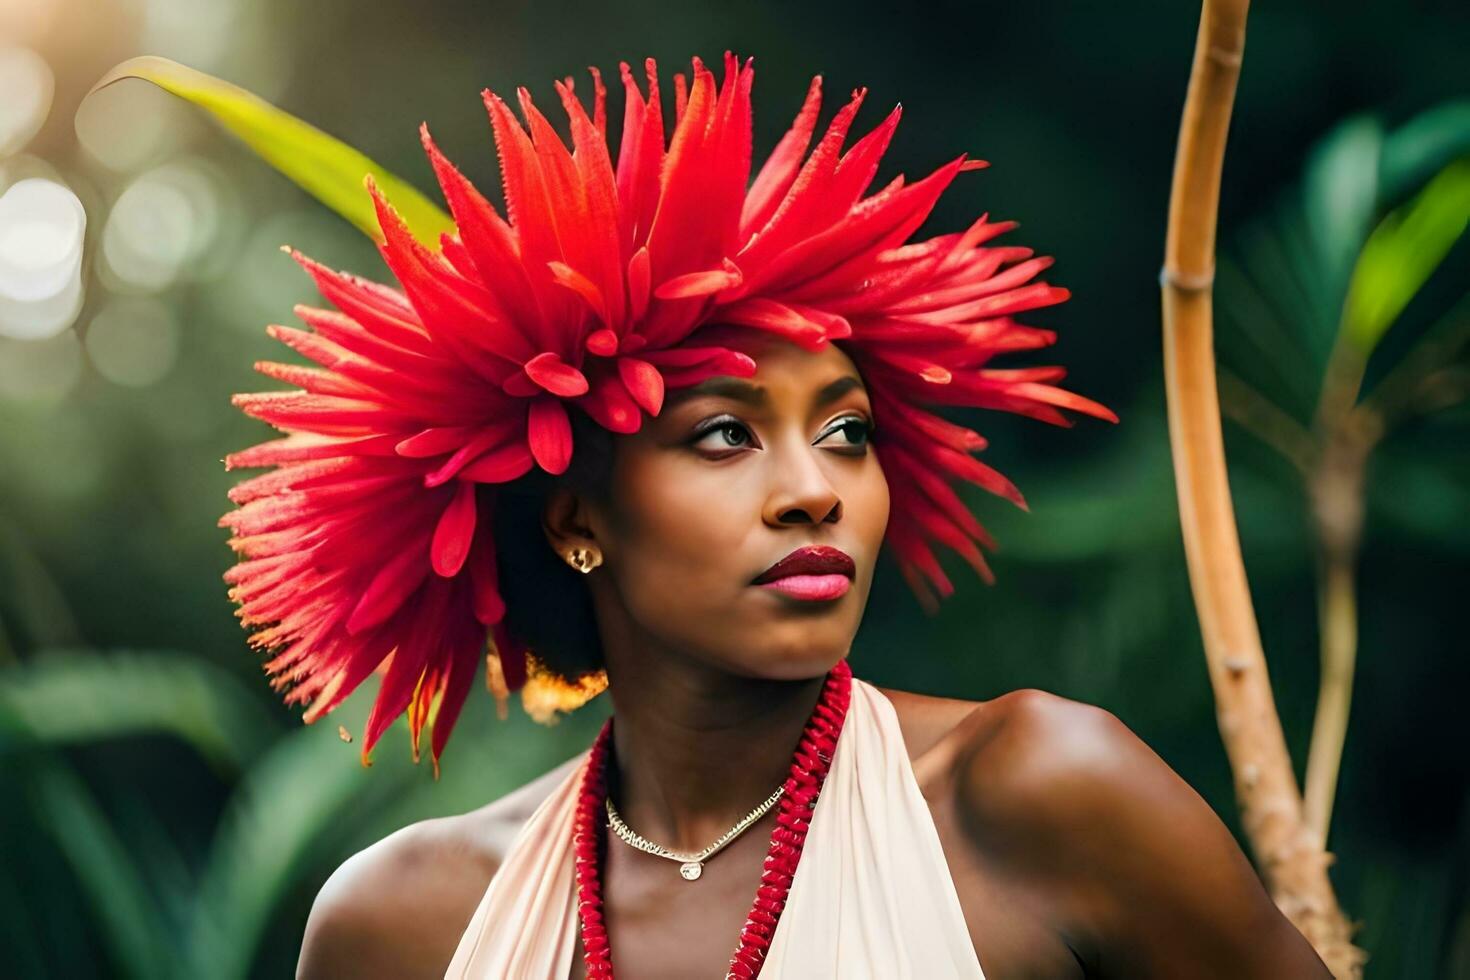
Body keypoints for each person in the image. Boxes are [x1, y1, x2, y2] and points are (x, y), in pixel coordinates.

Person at [217, 52, 1333, 978]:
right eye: (725, 434)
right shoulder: (404, 923)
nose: (817, 487)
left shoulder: (1045, 792)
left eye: (847, 432)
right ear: (574, 519)